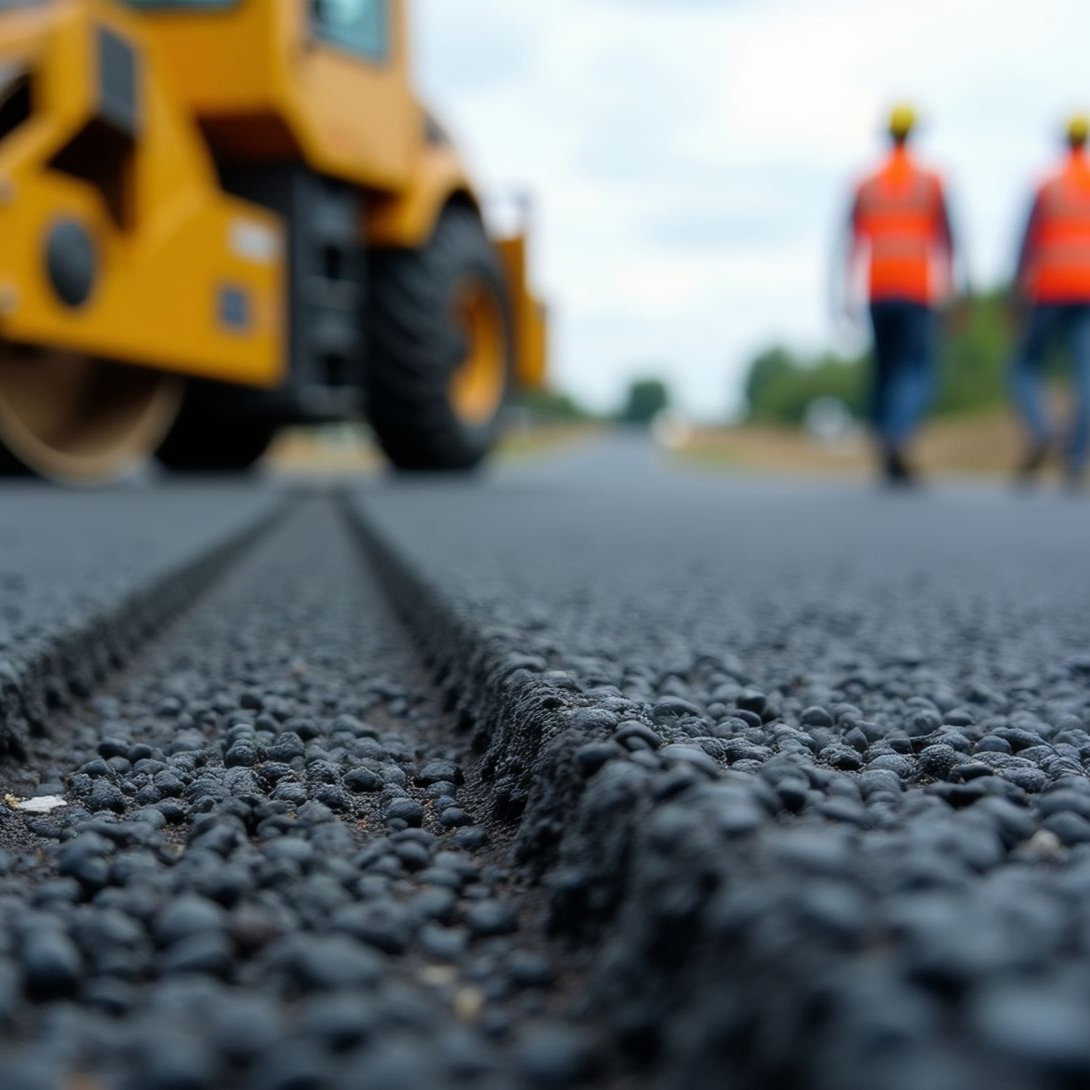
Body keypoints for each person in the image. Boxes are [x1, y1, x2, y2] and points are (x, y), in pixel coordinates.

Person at [836, 105, 964, 485]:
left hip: (877, 288)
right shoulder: (932, 180)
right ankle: (898, 433)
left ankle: (884, 443)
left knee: (885, 370)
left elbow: (849, 242)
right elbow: (949, 237)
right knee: (918, 368)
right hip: (917, 290)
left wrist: (844, 293)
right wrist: (955, 288)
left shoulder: (866, 181)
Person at [1010, 114, 1090, 489]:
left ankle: (1042, 429)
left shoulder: (1048, 185)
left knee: (1024, 365)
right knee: (1085, 375)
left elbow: (1027, 242)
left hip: (1050, 289)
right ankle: (1074, 458)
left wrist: (1015, 292)